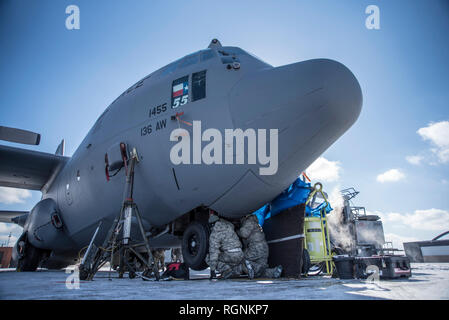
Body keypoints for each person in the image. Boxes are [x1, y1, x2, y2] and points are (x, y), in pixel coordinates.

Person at [237, 214, 282, 279]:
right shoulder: (255, 223)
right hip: (264, 248)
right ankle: (273, 272)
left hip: (255, 247)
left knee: (240, 258)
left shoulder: (249, 221)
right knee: (262, 269)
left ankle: (252, 266)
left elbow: (244, 234)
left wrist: (236, 231)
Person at [205, 212, 245, 279]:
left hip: (230, 255)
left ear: (212, 224)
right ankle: (238, 270)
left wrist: (212, 268)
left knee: (208, 258)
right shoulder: (229, 227)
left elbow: (213, 251)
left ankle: (226, 271)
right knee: (228, 256)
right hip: (240, 254)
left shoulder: (215, 233)